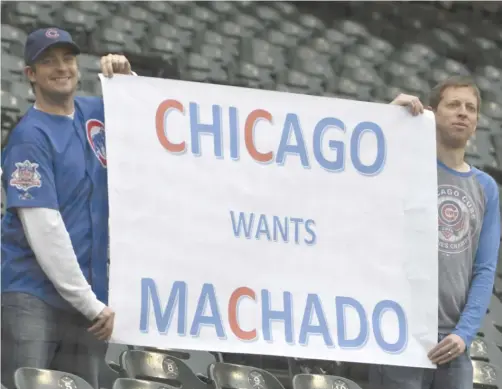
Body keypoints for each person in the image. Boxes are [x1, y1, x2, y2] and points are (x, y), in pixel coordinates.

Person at [1, 27, 134, 389]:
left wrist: (127, 81)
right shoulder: (30, 137)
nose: (61, 68)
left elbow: (146, 124)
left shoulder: (94, 113)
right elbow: (45, 230)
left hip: (88, 299)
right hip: (34, 294)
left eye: (68, 58)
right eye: (48, 61)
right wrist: (92, 305)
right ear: (30, 74)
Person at [369, 76, 501, 389]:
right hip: (401, 336)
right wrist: (387, 119)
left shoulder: (487, 188)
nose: (463, 112)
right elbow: (360, 175)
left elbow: (484, 270)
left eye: (470, 107)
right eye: (453, 104)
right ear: (432, 112)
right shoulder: (405, 168)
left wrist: (464, 333)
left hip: (454, 344)